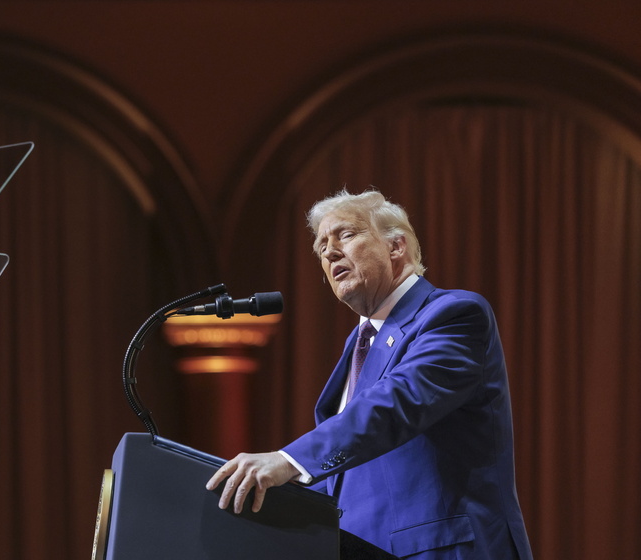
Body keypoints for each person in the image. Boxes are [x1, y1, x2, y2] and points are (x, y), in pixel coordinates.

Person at [206, 189, 533, 559]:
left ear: (396, 246)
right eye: (321, 247)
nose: (328, 253)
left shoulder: (452, 314)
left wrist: (288, 460)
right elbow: (342, 478)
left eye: (344, 234)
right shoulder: (359, 343)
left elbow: (398, 402)